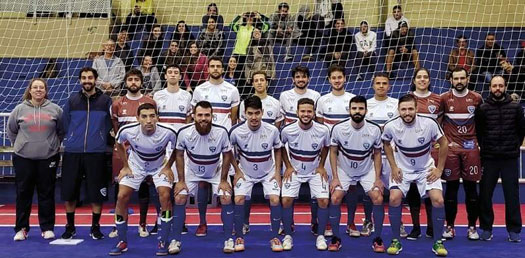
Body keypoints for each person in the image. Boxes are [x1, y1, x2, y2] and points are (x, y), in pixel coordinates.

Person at [382, 94, 449, 256]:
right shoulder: (391, 126)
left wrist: (439, 169)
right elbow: (386, 143)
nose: (407, 112)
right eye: (403, 109)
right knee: (393, 198)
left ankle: (438, 241)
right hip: (403, 170)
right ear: (398, 110)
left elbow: (444, 142)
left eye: (410, 109)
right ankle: (396, 240)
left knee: (438, 200)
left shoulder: (429, 123)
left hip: (425, 169)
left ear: (417, 109)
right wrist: (393, 166)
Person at [108, 103, 177, 256]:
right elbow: (118, 144)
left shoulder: (169, 131)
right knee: (121, 196)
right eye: (144, 116)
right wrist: (125, 166)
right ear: (138, 118)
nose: (149, 120)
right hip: (135, 165)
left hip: (160, 165)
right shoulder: (127, 130)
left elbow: (178, 148)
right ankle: (122, 240)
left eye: (152, 116)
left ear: (157, 117)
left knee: (165, 196)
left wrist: (168, 166)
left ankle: (163, 240)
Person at [171, 101, 235, 253]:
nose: (203, 118)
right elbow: (179, 155)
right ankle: (175, 240)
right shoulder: (184, 132)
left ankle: (228, 239)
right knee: (179, 197)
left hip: (215, 170)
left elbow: (227, 155)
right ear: (193, 116)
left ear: (213, 116)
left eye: (207, 115)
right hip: (192, 170)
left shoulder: (222, 132)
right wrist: (180, 181)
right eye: (200, 115)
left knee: (226, 196)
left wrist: (224, 180)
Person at [189, 57, 240, 237]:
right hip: (203, 140)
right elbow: (195, 116)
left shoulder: (232, 90)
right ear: (207, 68)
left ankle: (228, 223)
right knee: (203, 184)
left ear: (223, 69)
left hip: (223, 142)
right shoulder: (200, 90)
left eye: (218, 66)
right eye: (212, 66)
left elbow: (233, 119)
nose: (215, 68)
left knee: (227, 184)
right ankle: (202, 222)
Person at [8, 78, 64, 241]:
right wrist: (23, 145)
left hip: (48, 158)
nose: (38, 90)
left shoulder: (55, 110)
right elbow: (12, 131)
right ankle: (21, 228)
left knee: (46, 193)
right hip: (23, 158)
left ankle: (47, 228)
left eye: (41, 87)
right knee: (23, 193)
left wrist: (51, 146)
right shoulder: (19, 109)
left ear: (46, 91)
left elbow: (61, 131)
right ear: (30, 90)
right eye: (35, 87)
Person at [60, 67, 112, 240]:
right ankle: (70, 226)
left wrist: (99, 139)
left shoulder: (106, 101)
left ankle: (95, 227)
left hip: (96, 153)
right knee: (70, 191)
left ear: (95, 79)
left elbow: (109, 124)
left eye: (90, 77)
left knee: (96, 193)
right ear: (79, 80)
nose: (87, 80)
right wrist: (73, 139)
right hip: (73, 152)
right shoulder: (72, 100)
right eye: (83, 78)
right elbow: (65, 124)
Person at [328, 96, 384, 252]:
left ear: (366, 110)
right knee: (335, 197)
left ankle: (378, 238)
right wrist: (335, 177)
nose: (357, 111)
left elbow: (378, 154)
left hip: (366, 169)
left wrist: (378, 178)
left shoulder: (374, 129)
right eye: (354, 108)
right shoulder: (338, 128)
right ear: (349, 110)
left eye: (360, 108)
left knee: (377, 197)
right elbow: (333, 152)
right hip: (344, 170)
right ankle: (335, 238)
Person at [475, 75, 525, 242]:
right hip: (489, 158)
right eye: (494, 86)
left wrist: (513, 146)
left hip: (509, 157)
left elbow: (521, 130)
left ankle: (514, 230)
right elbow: (479, 132)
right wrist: (487, 146)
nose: (497, 88)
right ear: (490, 88)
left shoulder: (515, 107)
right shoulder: (482, 108)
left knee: (512, 195)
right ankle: (486, 228)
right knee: (485, 194)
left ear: (505, 87)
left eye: (500, 86)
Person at [230, 96, 283, 251]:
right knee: (239, 198)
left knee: (274, 199)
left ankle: (275, 237)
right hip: (245, 172)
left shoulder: (272, 130)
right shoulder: (236, 131)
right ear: (244, 114)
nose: (254, 117)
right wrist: (237, 170)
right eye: (250, 113)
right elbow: (228, 152)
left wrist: (278, 172)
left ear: (263, 112)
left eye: (257, 113)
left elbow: (278, 150)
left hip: (268, 172)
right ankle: (239, 236)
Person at [109, 69, 157, 239]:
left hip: (142, 151)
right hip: (122, 152)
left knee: (144, 186)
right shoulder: (117, 103)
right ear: (126, 82)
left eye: (136, 79)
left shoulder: (150, 102)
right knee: (120, 189)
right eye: (130, 79)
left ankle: (142, 225)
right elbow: (116, 129)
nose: (133, 82)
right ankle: (118, 225)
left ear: (141, 82)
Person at [280, 98, 331, 251]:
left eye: (309, 111)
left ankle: (320, 235)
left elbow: (327, 147)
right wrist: (288, 166)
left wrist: (321, 165)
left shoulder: (323, 130)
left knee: (323, 201)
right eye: (303, 111)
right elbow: (281, 147)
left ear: (314, 112)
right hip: (294, 169)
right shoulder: (287, 129)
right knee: (286, 200)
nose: (306, 114)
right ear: (297, 112)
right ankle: (288, 234)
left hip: (314, 169)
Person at [440, 67, 483, 240]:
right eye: (456, 78)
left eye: (462, 78)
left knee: (471, 189)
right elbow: (437, 122)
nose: (459, 81)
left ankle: (472, 227)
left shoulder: (477, 98)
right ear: (451, 80)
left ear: (467, 79)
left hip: (471, 148)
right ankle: (450, 226)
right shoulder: (443, 98)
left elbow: (482, 123)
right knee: (451, 189)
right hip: (451, 149)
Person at [153, 64, 193, 238]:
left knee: (179, 185)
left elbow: (189, 120)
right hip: (162, 146)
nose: (173, 75)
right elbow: (154, 120)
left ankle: (180, 221)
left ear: (180, 75)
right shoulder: (157, 95)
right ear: (166, 75)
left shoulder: (187, 96)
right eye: (170, 72)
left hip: (180, 147)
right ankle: (159, 220)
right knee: (162, 186)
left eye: (176, 72)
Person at [362, 73, 402, 238]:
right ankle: (367, 220)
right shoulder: (366, 104)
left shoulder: (396, 104)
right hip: (372, 156)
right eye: (378, 83)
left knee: (397, 191)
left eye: (384, 83)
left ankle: (398, 223)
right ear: (373, 85)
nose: (381, 86)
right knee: (371, 191)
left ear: (389, 85)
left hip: (392, 156)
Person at [406, 68, 442, 240]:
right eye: (419, 77)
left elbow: (442, 123)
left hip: (431, 151)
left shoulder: (438, 99)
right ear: (414, 80)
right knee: (413, 191)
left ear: (429, 80)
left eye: (425, 77)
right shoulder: (407, 99)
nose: (422, 80)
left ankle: (431, 227)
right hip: (409, 152)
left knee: (430, 189)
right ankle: (415, 227)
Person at [230, 11, 270, 85]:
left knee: (249, 75)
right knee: (239, 75)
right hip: (238, 54)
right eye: (247, 16)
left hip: (250, 55)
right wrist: (239, 16)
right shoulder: (240, 28)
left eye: (251, 16)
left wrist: (260, 17)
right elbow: (231, 24)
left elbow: (267, 26)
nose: (249, 18)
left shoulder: (256, 29)